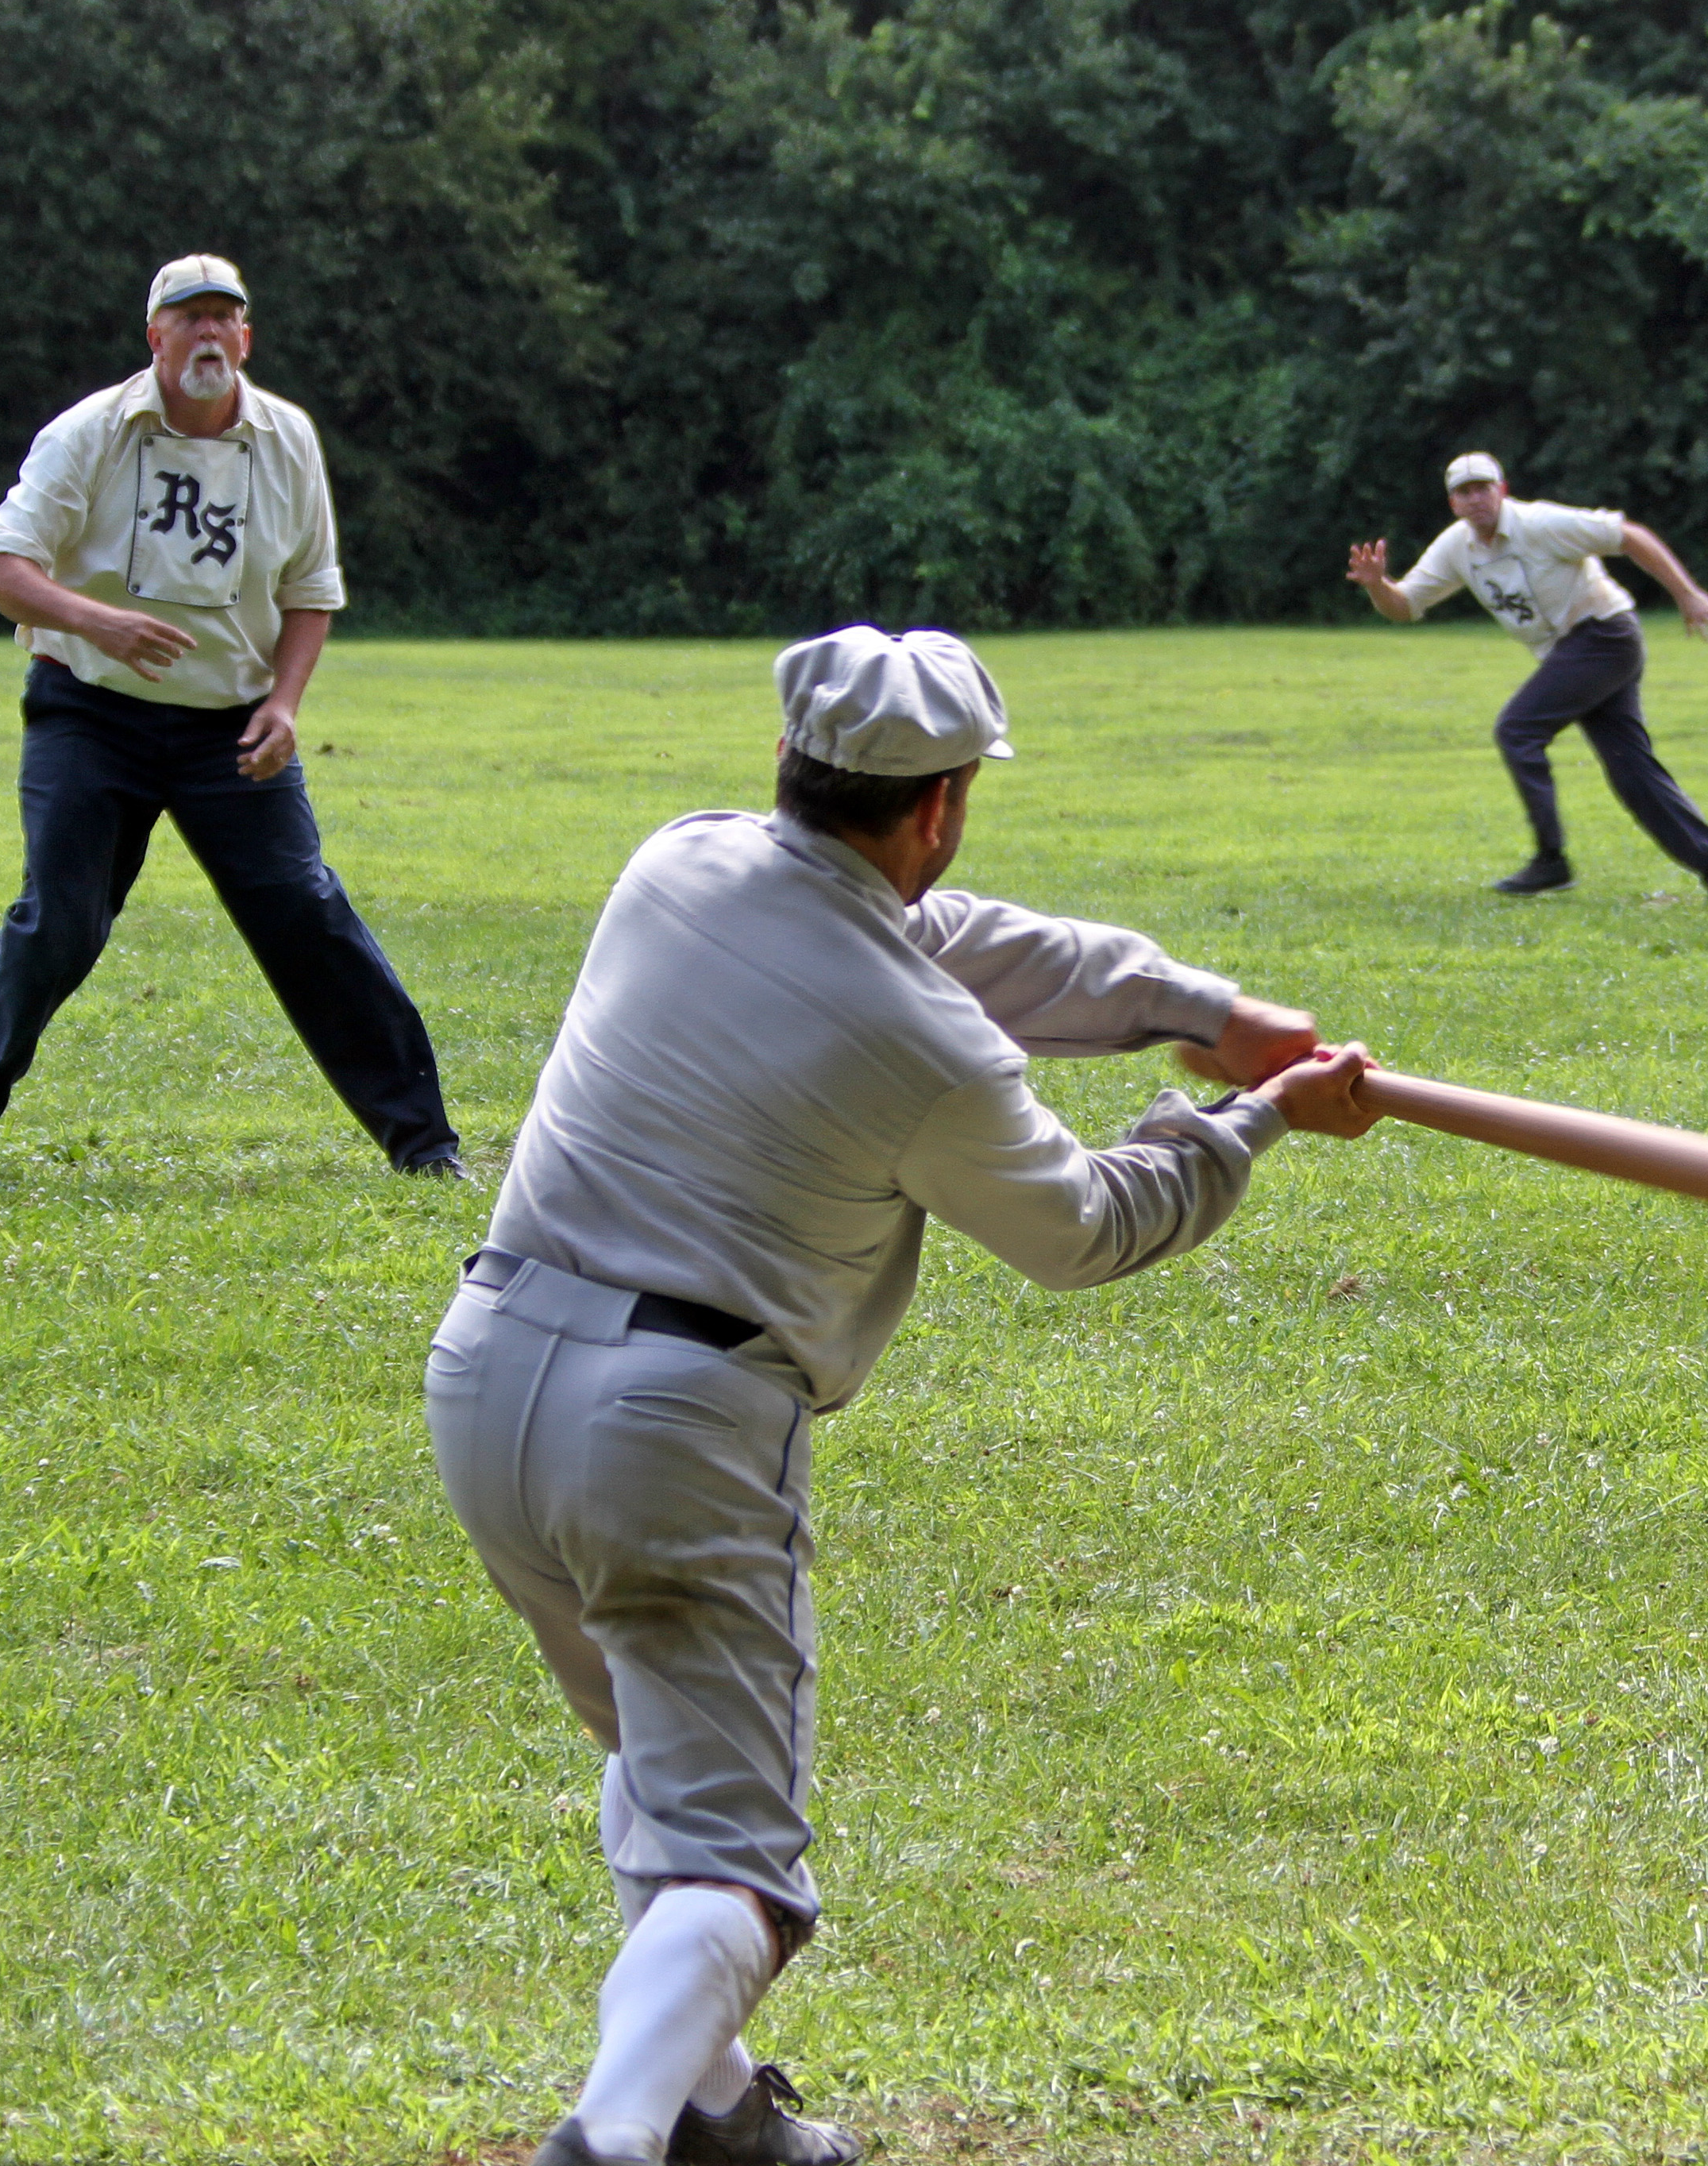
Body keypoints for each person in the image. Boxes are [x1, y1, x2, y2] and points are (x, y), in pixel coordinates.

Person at [426, 627, 1381, 2166]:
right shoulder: (925, 1046)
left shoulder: (678, 862)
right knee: (736, 1869)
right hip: (670, 1426)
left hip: (488, 1373)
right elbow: (1084, 1226)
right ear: (941, 806)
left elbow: (945, 936)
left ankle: (716, 2114)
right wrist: (1249, 1117)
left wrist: (1197, 1005)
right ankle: (608, 2139)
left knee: (663, 1765)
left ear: (787, 758)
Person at [0, 253, 462, 1181]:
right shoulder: (88, 433)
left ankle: (426, 1150)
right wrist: (100, 623)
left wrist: (284, 705)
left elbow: (310, 591)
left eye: (223, 317)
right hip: (92, 714)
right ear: (155, 337)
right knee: (59, 923)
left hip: (230, 730)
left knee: (308, 915)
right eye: (188, 316)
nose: (208, 332)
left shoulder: (288, 438)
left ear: (246, 337)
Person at [1344, 452, 1708, 900]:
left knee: (1517, 729)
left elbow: (1629, 535)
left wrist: (1687, 595)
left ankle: (1551, 862)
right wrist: (1377, 585)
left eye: (1484, 488)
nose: (1476, 498)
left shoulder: (1540, 523)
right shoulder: (1455, 547)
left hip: (1605, 635)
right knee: (1631, 770)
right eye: (1464, 492)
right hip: (1575, 652)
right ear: (1453, 504)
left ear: (1502, 490)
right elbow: (1405, 606)